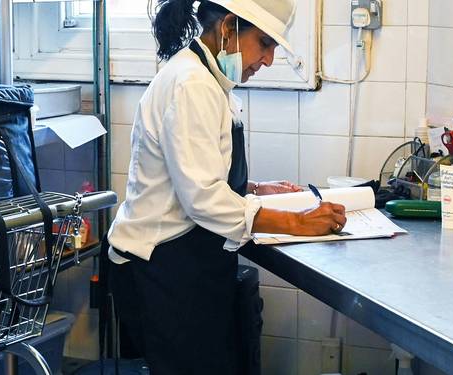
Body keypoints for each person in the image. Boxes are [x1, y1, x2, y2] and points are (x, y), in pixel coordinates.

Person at [106, 0, 347, 373]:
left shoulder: (210, 81)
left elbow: (192, 172)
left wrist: (252, 187)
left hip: (186, 262)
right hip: (161, 267)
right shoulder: (191, 85)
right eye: (265, 43)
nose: (267, 60)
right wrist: (299, 222)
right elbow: (202, 198)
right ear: (229, 27)